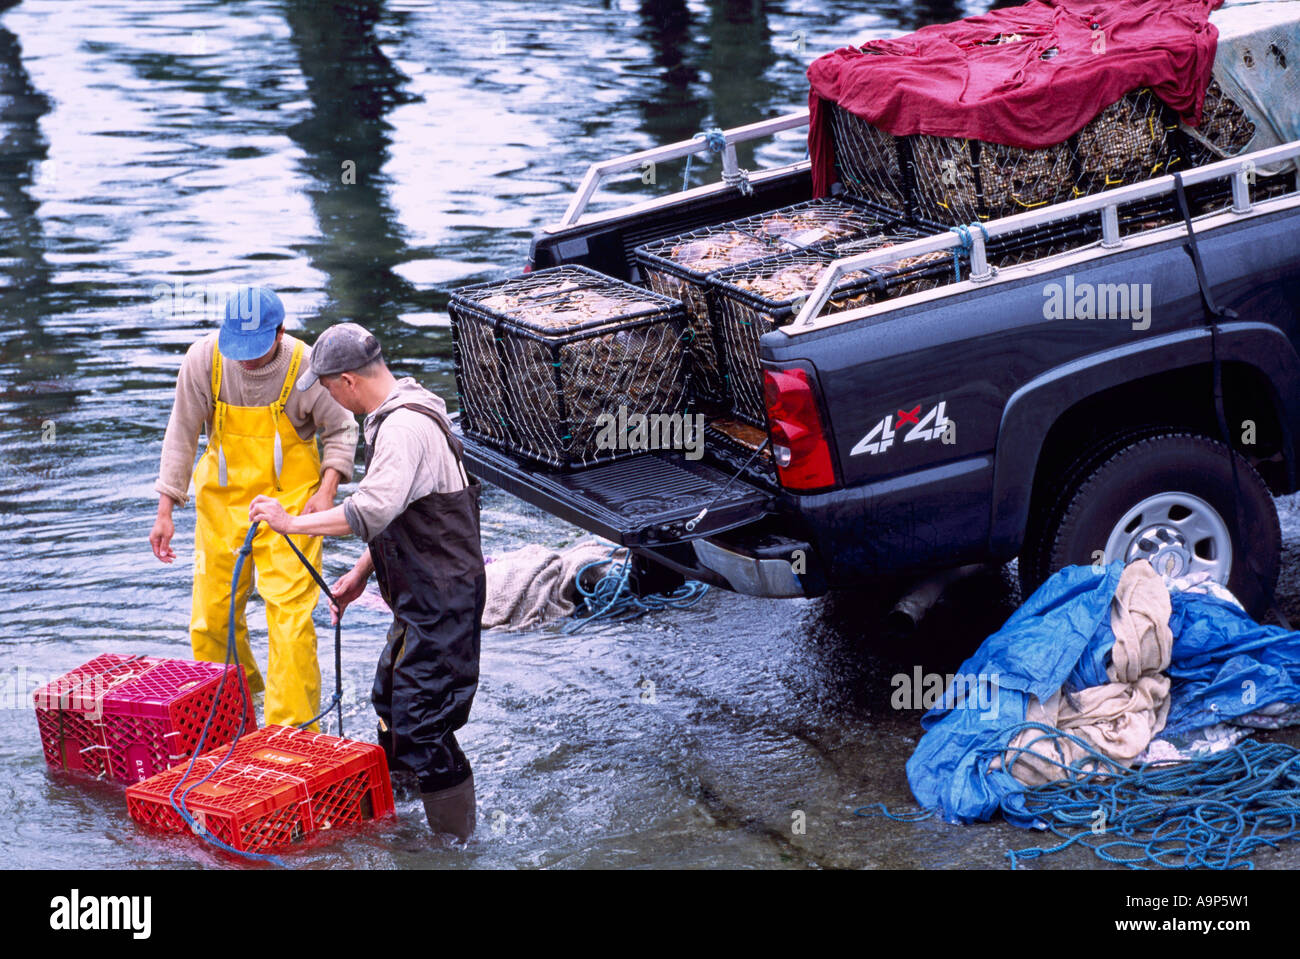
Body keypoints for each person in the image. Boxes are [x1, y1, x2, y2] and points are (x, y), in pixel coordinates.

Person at [248, 322, 485, 843]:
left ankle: (456, 844)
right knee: (392, 705)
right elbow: (404, 511)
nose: (327, 396)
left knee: (423, 725)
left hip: (443, 602)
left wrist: (290, 522)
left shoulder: (401, 429)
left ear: (348, 381)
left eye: (328, 386)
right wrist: (361, 573)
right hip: (423, 599)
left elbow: (371, 508)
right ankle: (401, 822)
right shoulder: (407, 406)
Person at [150, 287, 356, 730]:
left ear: (280, 332)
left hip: (292, 506)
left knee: (289, 619)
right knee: (210, 618)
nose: (244, 360)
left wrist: (327, 490)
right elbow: (182, 434)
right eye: (237, 348)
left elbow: (341, 429)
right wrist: (166, 508)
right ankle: (234, 713)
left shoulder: (306, 368)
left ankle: (293, 731)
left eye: (254, 349)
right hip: (221, 506)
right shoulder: (204, 360)